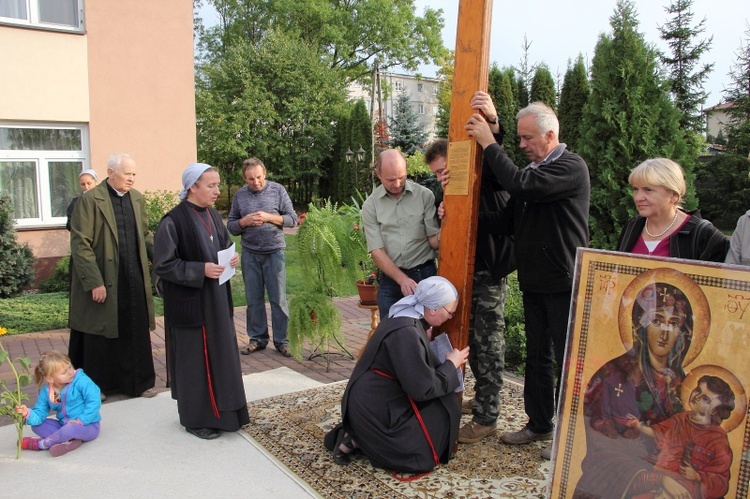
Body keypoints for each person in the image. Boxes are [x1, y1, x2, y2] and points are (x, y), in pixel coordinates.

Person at [465, 92, 590, 459]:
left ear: (549, 136)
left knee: (569, 361)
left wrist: (490, 140)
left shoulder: (569, 167)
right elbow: (505, 220)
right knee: (537, 357)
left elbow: (518, 184)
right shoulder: (535, 172)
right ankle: (539, 425)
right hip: (535, 279)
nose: (522, 146)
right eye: (517, 138)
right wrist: (457, 215)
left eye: (527, 138)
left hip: (564, 281)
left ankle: (570, 437)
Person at [325, 276, 470, 474]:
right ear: (434, 309)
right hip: (374, 406)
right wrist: (451, 364)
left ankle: (360, 435)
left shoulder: (406, 313)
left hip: (377, 396)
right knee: (420, 450)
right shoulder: (406, 332)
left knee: (440, 405)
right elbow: (423, 388)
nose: (450, 317)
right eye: (450, 312)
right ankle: (358, 438)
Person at [423, 138, 516, 444]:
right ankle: (479, 402)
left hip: (488, 271)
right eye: (436, 174)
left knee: (488, 342)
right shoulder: (448, 188)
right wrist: (444, 211)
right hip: (463, 271)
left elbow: (495, 147)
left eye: (444, 170)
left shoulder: (486, 176)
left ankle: (487, 418)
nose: (441, 178)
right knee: (469, 336)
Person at [153, 163, 250, 440]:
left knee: (222, 354)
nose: (217, 191)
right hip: (191, 306)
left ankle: (230, 413)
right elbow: (164, 265)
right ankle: (196, 419)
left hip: (216, 301)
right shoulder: (172, 221)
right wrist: (200, 269)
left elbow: (221, 245)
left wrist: (230, 257)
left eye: (218, 185)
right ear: (192, 187)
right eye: (211, 186)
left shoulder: (211, 216)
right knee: (195, 361)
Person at [574, 281, 694, 497]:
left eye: (674, 323)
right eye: (657, 320)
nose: (665, 333)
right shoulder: (611, 375)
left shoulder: (688, 388)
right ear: (642, 325)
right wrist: (655, 479)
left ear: (683, 332)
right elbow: (601, 449)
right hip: (622, 481)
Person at [68, 153, 157, 399]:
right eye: (127, 173)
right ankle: (98, 387)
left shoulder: (137, 199)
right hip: (104, 277)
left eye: (134, 174)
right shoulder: (89, 200)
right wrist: (94, 281)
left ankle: (138, 383)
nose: (132, 179)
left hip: (133, 276)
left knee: (134, 328)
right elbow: (80, 243)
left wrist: (165, 255)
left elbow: (146, 233)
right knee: (101, 332)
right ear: (110, 172)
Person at [228, 158, 298, 357]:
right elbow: (231, 226)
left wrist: (269, 217)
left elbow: (292, 219)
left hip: (274, 252)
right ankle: (257, 339)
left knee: (278, 299)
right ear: (244, 178)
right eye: (250, 179)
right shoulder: (240, 196)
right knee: (254, 299)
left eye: (258, 177)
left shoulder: (278, 190)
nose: (255, 182)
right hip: (250, 254)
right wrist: (244, 221)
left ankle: (282, 341)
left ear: (264, 174)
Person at [624, 375, 734, 498]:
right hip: (663, 474)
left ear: (714, 411)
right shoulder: (681, 418)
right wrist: (639, 426)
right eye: (698, 390)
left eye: (705, 399)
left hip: (690, 487)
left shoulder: (717, 439)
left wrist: (698, 476)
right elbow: (659, 432)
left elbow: (720, 477)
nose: (696, 397)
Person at [361, 149, 441, 319]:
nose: (397, 184)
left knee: (429, 335)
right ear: (378, 173)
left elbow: (434, 241)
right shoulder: (371, 206)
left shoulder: (424, 196)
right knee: (391, 336)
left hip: (425, 275)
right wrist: (402, 280)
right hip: (391, 279)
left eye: (401, 177)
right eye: (390, 179)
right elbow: (377, 252)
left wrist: (448, 227)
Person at [617, 158, 729, 262]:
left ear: (674, 195)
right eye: (636, 189)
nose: (638, 197)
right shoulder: (632, 226)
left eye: (648, 190)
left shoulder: (704, 235)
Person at [15, 350, 101, 457]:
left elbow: (94, 400)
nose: (70, 372)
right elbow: (39, 414)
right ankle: (69, 441)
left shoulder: (81, 380)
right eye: (64, 372)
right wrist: (27, 413)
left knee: (70, 429)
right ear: (50, 378)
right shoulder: (46, 391)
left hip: (88, 426)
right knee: (36, 426)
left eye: (70, 367)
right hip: (64, 425)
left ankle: (41, 444)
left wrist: (81, 420)